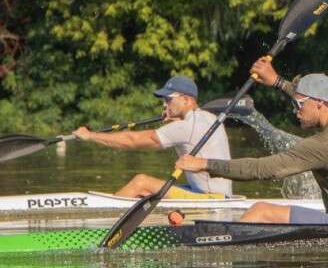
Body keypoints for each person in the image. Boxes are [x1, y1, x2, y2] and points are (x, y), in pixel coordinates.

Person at [174, 56, 328, 224]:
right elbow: (305, 94)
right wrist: (276, 81)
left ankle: (222, 267)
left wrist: (204, 164)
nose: (295, 110)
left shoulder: (323, 146)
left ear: (320, 103)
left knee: (261, 211)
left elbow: (261, 169)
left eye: (299, 105)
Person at [73, 75, 232, 199]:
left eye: (169, 99)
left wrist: (91, 135)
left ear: (186, 99)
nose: (164, 105)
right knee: (148, 192)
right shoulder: (209, 118)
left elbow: (132, 141)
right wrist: (178, 119)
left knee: (141, 182)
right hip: (210, 193)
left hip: (211, 199)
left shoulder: (186, 126)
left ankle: (104, 223)